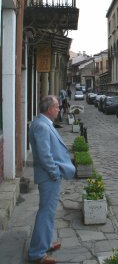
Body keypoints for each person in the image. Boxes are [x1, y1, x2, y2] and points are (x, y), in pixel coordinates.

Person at [28, 95, 76, 264]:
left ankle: (45, 243)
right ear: (49, 110)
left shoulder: (42, 122)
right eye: (56, 107)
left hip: (49, 176)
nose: (59, 109)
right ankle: (37, 254)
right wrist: (55, 173)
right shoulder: (41, 125)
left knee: (48, 213)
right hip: (49, 177)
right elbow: (44, 155)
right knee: (45, 213)